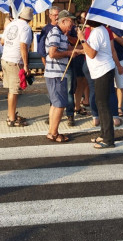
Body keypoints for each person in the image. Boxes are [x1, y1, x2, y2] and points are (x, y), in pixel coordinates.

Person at [44, 10, 78, 142]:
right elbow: (52, 53)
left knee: (55, 104)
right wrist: (69, 54)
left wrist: (79, 50)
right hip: (56, 74)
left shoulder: (63, 34)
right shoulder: (55, 33)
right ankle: (54, 133)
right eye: (71, 21)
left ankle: (52, 131)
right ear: (63, 21)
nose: (73, 24)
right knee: (59, 105)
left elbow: (70, 48)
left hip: (57, 73)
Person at [81, 19, 117, 149]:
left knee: (103, 104)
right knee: (100, 102)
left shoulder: (96, 32)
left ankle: (108, 139)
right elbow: (92, 49)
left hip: (103, 71)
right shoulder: (101, 30)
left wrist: (82, 39)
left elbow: (91, 53)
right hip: (102, 71)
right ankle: (104, 133)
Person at [0, 7, 33, 127]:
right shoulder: (26, 28)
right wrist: (25, 65)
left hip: (5, 58)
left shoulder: (11, 24)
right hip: (15, 61)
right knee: (14, 91)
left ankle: (11, 114)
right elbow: (23, 45)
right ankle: (11, 119)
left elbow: (2, 42)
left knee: (11, 90)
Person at [109, 24, 123, 116]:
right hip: (107, 60)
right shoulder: (104, 25)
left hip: (119, 59)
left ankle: (119, 107)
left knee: (120, 84)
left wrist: (112, 34)